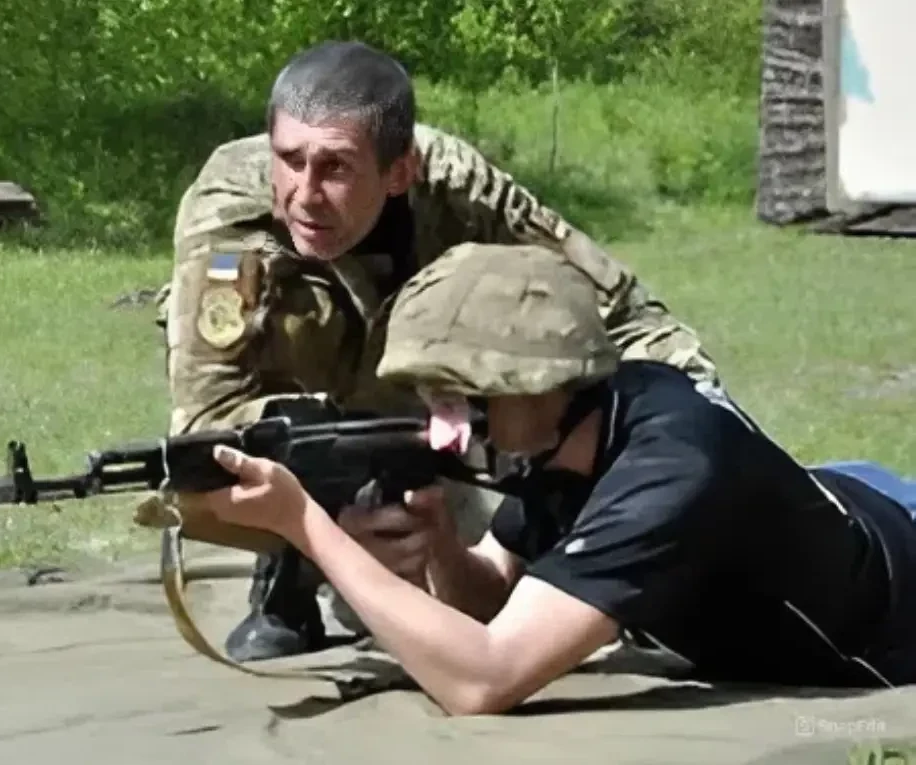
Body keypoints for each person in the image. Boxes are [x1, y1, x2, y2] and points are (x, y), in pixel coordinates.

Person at [156, 39, 721, 663]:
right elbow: (207, 420)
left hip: (434, 419)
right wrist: (320, 530)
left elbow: (620, 313)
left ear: (401, 171)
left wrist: (688, 437)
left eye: (336, 168)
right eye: (289, 160)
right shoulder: (231, 213)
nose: (305, 193)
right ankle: (286, 573)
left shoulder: (461, 191)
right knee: (207, 481)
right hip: (302, 421)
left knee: (495, 605)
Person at [194, 243, 916, 715]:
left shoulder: (669, 467)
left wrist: (305, 526)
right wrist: (442, 547)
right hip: (852, 500)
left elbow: (484, 679)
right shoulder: (568, 431)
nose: (444, 429)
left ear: (537, 383)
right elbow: (496, 595)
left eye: (463, 397)